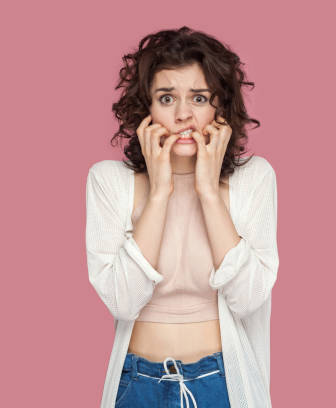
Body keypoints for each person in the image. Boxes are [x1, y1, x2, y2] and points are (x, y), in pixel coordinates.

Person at [86, 26, 280, 407]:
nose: (183, 115)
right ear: (146, 108)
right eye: (166, 98)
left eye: (199, 97)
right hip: (137, 385)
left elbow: (248, 298)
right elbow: (123, 302)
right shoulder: (109, 181)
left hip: (222, 384)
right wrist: (160, 192)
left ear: (219, 106)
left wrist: (208, 191)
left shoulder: (254, 178)